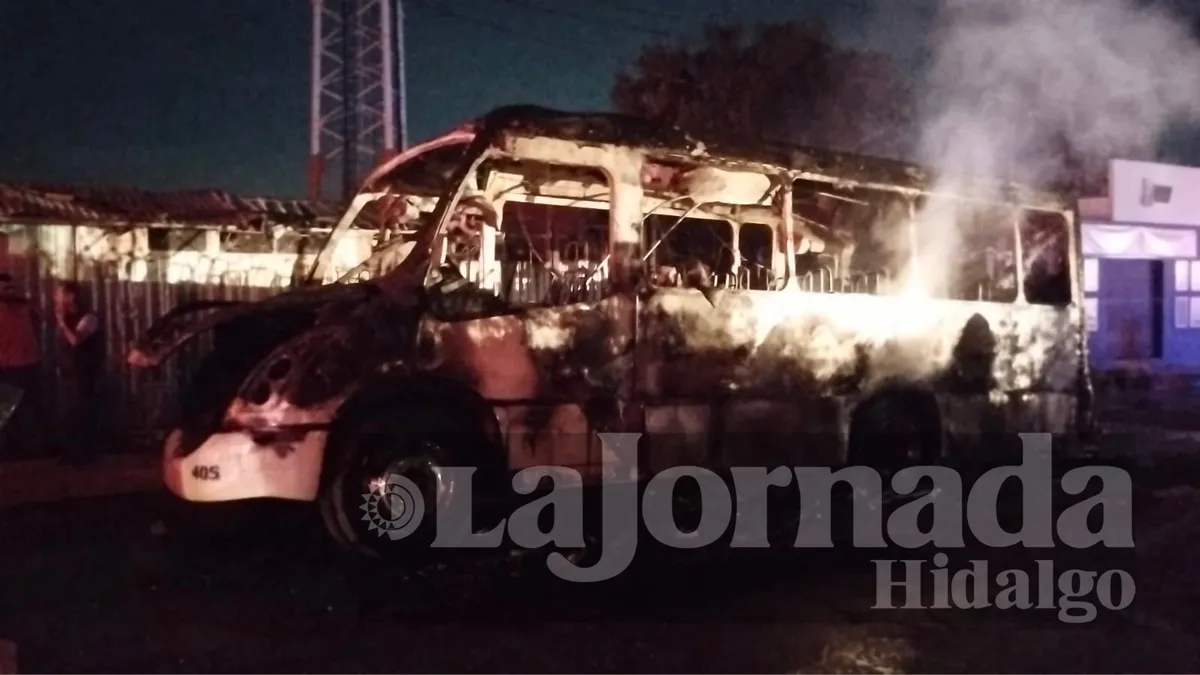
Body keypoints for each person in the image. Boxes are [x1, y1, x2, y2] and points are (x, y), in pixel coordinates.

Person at [53, 281, 104, 464]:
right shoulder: (68, 318)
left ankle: (86, 456)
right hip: (69, 374)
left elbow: (76, 341)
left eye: (59, 294)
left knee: (83, 414)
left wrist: (61, 322)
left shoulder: (88, 318)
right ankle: (70, 454)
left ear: (71, 297)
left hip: (84, 375)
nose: (56, 298)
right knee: (69, 415)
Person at [0, 273, 42, 456]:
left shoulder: (15, 307)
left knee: (9, 412)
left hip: (12, 365)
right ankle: (23, 449)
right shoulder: (25, 306)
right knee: (23, 411)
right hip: (27, 363)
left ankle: (14, 451)